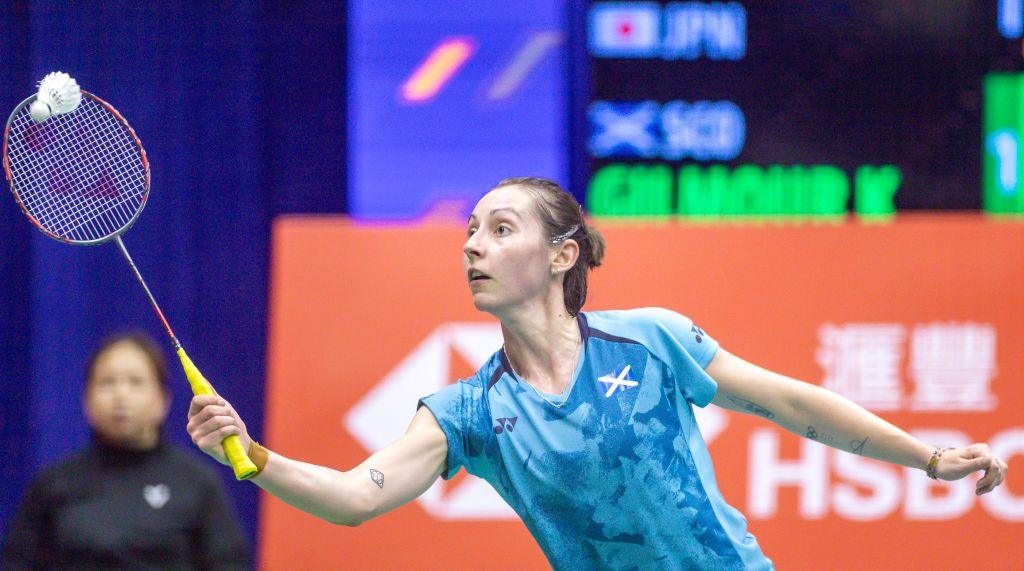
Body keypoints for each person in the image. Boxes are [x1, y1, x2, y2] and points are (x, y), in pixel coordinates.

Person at [187, 177, 1008, 569]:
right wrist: (252, 454)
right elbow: (356, 495)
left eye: (500, 229)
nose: (471, 245)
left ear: (561, 254)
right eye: (468, 230)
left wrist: (929, 458)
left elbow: (794, 404)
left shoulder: (649, 340)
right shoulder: (468, 410)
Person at [4, 332, 250, 570]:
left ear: (163, 399)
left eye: (136, 382)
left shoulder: (197, 483)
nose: (121, 396)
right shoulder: (54, 484)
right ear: (86, 399)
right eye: (107, 382)